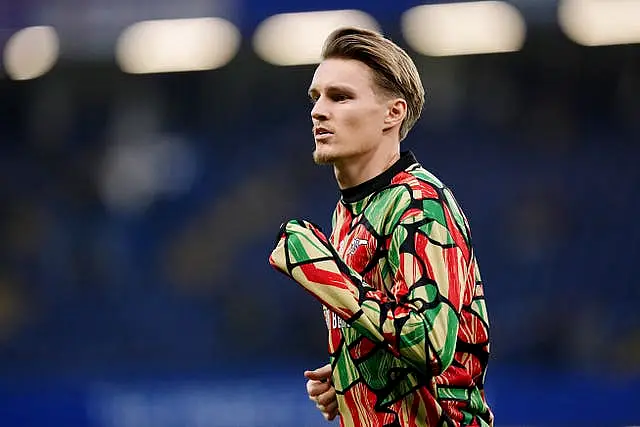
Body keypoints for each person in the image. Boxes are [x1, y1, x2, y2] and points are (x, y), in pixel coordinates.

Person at [269, 27, 493, 426]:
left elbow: (429, 341)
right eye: (316, 98)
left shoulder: (419, 201)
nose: (319, 111)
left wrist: (326, 274)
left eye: (340, 97)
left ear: (394, 112)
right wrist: (350, 378)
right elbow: (398, 349)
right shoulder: (346, 214)